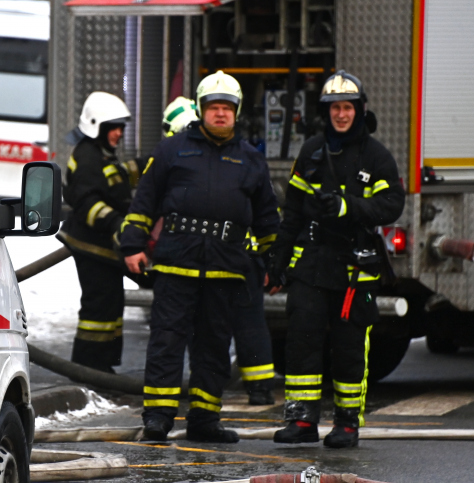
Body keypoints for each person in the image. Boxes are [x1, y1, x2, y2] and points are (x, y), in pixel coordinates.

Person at [120, 71, 280, 443]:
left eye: (227, 108)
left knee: (214, 346)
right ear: (201, 109)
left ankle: (205, 420)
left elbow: (268, 218)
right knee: (167, 341)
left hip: (225, 269)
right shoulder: (171, 150)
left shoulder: (251, 160)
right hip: (177, 264)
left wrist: (274, 264)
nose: (220, 114)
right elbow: (144, 201)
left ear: (236, 113)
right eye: (214, 107)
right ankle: (158, 418)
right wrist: (132, 245)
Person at [268, 70, 405, 448]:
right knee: (302, 340)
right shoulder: (312, 151)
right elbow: (293, 211)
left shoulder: (376, 156)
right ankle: (301, 421)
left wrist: (349, 206)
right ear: (325, 112)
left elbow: (391, 204)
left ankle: (347, 424)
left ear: (359, 111)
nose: (341, 115)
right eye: (334, 108)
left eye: (347, 108)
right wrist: (279, 259)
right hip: (311, 262)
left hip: (353, 268)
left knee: (349, 347)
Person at [161, 96, 277, 406]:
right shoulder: (190, 151)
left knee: (237, 324)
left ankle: (258, 386)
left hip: (236, 257)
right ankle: (259, 387)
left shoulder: (234, 158)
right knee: (235, 325)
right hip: (229, 256)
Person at [57, 91, 145, 373]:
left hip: (102, 247)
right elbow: (88, 202)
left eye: (121, 127)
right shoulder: (87, 158)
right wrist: (118, 224)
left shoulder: (100, 155)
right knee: (99, 308)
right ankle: (89, 367)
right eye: (114, 128)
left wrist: (150, 165)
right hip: (91, 246)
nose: (119, 134)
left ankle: (102, 365)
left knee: (109, 305)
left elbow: (117, 176)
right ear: (97, 126)